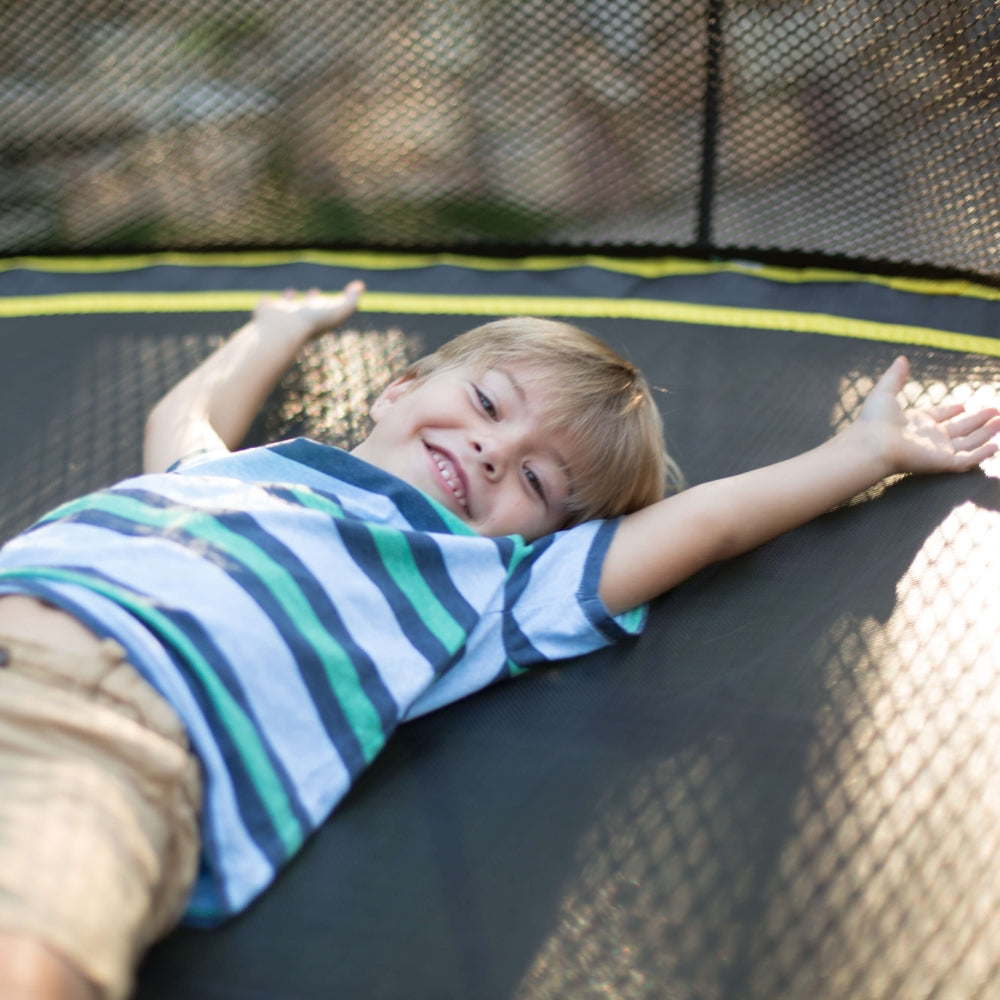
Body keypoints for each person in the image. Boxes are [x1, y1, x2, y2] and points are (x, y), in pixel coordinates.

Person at [0, 280, 996, 1000]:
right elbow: (186, 413)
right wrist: (276, 327)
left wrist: (855, 453)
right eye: (487, 405)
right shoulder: (237, 474)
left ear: (547, 539)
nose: (492, 449)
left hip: (114, 734)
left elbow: (702, 526)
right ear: (397, 387)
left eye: (535, 483)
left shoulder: (483, 583)